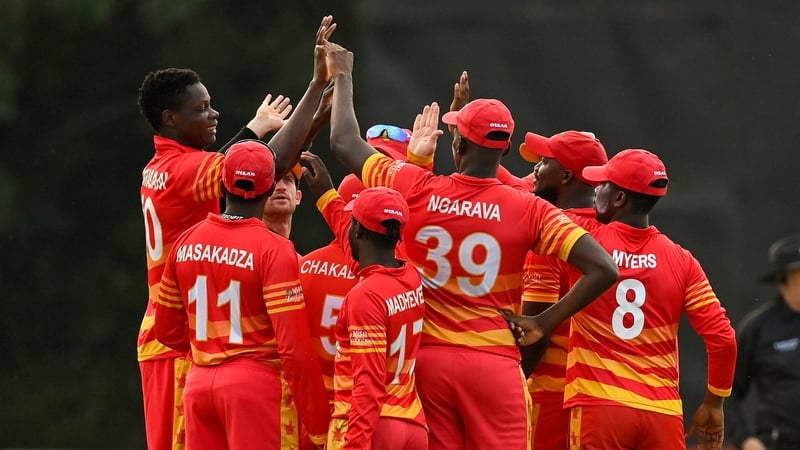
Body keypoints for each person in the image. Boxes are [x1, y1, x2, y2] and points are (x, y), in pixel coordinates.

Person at [323, 39, 619, 450]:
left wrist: (342, 75)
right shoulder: (529, 209)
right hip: (494, 366)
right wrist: (543, 323)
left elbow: (343, 142)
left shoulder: (416, 188)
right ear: (504, 149)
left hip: (429, 362)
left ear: (457, 145)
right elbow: (604, 268)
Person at [137, 15, 337, 449]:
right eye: (202, 109)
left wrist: (296, 126)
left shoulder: (163, 168)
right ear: (170, 118)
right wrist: (315, 88)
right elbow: (254, 168)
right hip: (187, 345)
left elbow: (249, 168)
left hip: (193, 345)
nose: (214, 114)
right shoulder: (185, 172)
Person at [503, 149, 738, 450]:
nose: (594, 192)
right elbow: (723, 339)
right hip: (662, 414)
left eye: (602, 185)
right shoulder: (682, 260)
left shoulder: (583, 237)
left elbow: (522, 203)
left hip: (600, 407)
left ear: (618, 199)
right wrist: (714, 404)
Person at [153, 140, 330, 449]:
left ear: (223, 183)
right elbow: (293, 349)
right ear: (269, 186)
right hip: (254, 389)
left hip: (198, 387)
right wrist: (318, 426)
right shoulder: (275, 250)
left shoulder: (186, 240)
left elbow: (166, 329)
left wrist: (211, 350)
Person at [516, 130, 609, 449]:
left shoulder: (551, 237)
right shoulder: (611, 232)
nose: (534, 171)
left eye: (543, 162)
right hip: (602, 395)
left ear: (566, 176)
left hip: (553, 393)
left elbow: (535, 327)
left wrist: (514, 385)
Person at [726, 235, 800, 450]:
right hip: (778, 443)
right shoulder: (758, 328)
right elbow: (726, 392)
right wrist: (745, 440)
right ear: (782, 279)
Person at [262, 164, 303, 238]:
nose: (281, 187)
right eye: (272, 180)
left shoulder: (289, 248)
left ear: (298, 197)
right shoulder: (241, 243)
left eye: (288, 180)